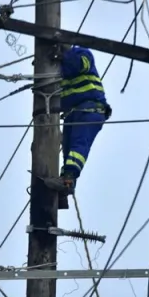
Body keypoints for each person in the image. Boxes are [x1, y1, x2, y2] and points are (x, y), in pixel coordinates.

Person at [45, 45, 111, 210]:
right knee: (68, 149)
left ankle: (68, 178)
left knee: (78, 145)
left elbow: (79, 65)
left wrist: (63, 55)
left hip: (90, 109)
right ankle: (66, 185)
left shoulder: (83, 53)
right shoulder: (58, 70)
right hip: (73, 114)